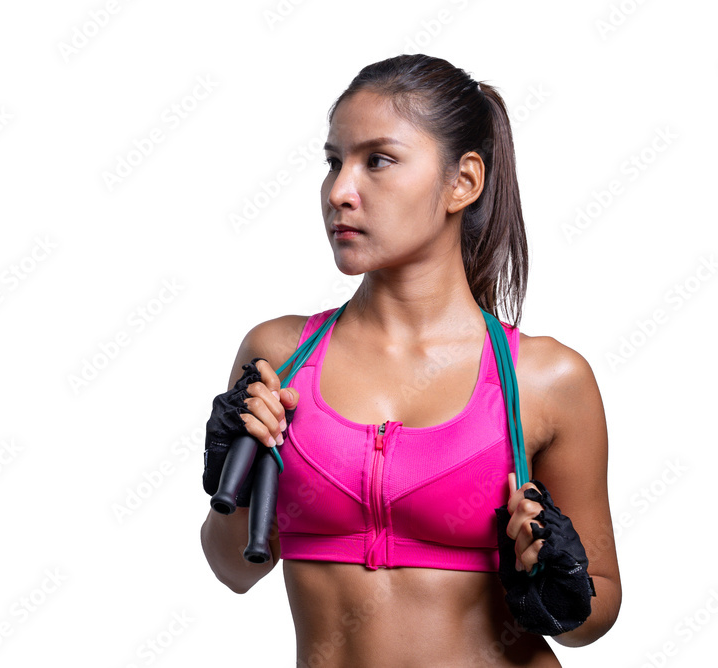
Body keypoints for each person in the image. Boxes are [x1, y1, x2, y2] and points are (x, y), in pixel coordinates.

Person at [200, 54, 621, 667]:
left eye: (378, 160)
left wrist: (560, 586)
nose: (341, 191)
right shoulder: (279, 359)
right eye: (333, 162)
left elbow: (595, 614)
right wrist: (227, 481)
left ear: (463, 183)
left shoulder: (545, 380)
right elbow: (234, 569)